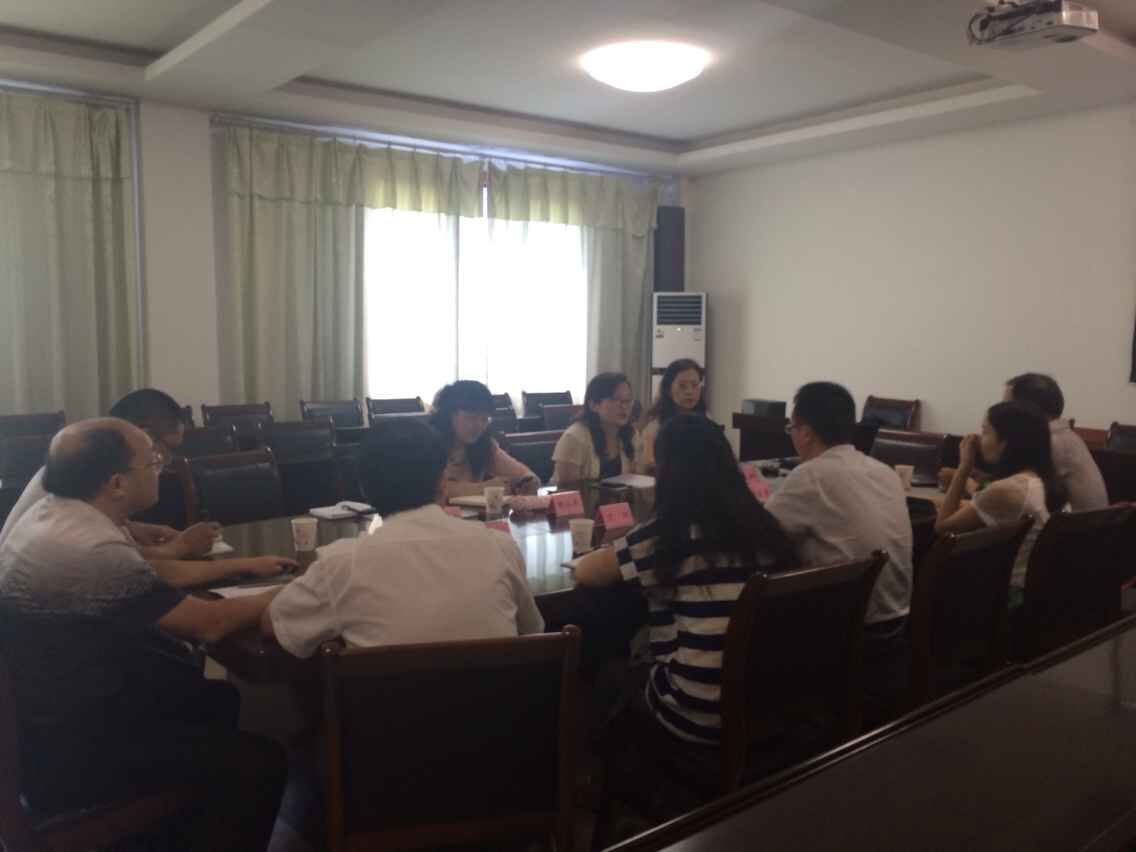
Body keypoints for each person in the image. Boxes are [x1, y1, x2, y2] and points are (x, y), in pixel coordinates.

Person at [0, 418, 286, 851]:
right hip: (72, 753)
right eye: (152, 462)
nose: (160, 469)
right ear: (116, 483)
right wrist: (293, 592)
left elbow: (146, 570)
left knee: (216, 700)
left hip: (47, 715)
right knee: (260, 761)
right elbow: (209, 624)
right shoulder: (89, 546)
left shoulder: (49, 509)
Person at [573, 414, 798, 744]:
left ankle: (594, 755)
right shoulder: (764, 527)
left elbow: (586, 572)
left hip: (693, 710)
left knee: (609, 661)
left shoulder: (667, 534)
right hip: (765, 703)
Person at [264, 418, 544, 657]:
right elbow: (533, 630)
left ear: (364, 489)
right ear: (442, 482)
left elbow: (274, 624)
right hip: (500, 706)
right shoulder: (500, 546)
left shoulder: (341, 563)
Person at [0, 389, 295, 587]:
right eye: (166, 450)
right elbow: (136, 569)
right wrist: (181, 547)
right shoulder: (81, 516)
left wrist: (132, 527)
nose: (166, 463)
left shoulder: (75, 473)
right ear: (141, 436)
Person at [936, 401, 1068, 596]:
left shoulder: (1006, 490)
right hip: (1026, 587)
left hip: (1004, 593)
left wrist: (964, 466)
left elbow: (943, 527)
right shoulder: (1035, 480)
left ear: (1006, 442)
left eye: (985, 432)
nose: (979, 439)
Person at [1004, 373, 1107, 511]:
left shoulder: (1050, 441)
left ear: (1028, 409)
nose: (1002, 413)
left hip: (1076, 524)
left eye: (1007, 407)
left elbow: (1011, 493)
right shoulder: (1065, 436)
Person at [429, 380, 539, 499]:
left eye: (485, 419)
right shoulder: (429, 444)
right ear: (450, 414)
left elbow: (524, 475)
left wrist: (528, 481)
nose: (478, 426)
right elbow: (437, 490)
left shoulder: (485, 444)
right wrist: (487, 487)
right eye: (471, 418)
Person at [552, 372, 638, 483]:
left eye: (628, 400)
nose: (624, 406)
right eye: (615, 399)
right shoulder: (574, 437)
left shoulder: (631, 435)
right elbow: (567, 488)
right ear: (593, 405)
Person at [638, 359, 707, 475]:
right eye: (682, 386)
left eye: (695, 385)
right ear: (668, 390)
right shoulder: (654, 426)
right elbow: (647, 467)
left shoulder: (707, 421)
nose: (689, 391)